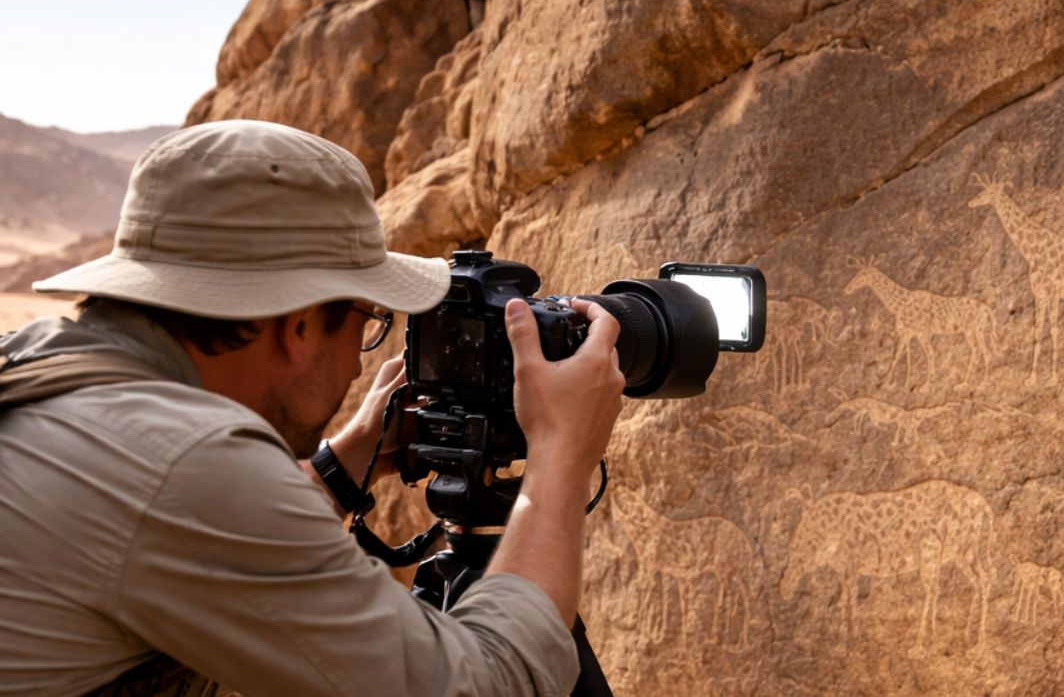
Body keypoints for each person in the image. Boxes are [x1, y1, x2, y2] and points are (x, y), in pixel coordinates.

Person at [0, 120, 625, 696]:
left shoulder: (36, 361)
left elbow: (175, 524)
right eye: (367, 321)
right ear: (298, 328)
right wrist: (561, 453)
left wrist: (348, 462)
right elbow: (485, 684)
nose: (358, 363)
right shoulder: (186, 463)